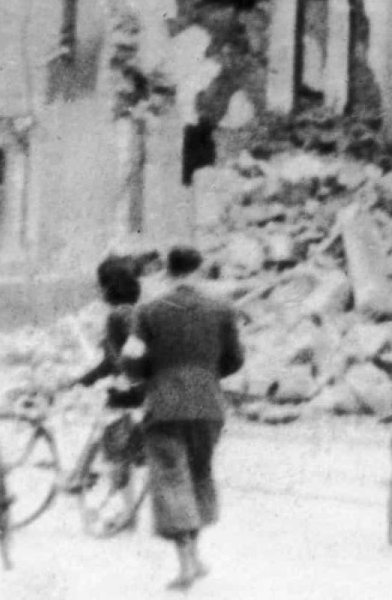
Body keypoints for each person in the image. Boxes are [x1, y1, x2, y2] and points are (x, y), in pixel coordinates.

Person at [126, 244, 244, 591]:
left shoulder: (148, 311)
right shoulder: (222, 309)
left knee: (170, 478)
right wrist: (207, 374)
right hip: (208, 404)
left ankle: (186, 563)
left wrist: (149, 377)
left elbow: (132, 360)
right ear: (199, 269)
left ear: (168, 272)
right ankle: (197, 555)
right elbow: (235, 358)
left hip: (164, 404)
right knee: (199, 473)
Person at [64, 256, 145, 494]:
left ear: (109, 288)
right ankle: (81, 474)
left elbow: (119, 357)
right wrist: (84, 381)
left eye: (100, 285)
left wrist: (124, 374)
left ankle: (82, 477)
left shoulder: (117, 316)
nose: (97, 290)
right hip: (140, 386)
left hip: (128, 389)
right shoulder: (134, 312)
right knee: (112, 437)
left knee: (114, 445)